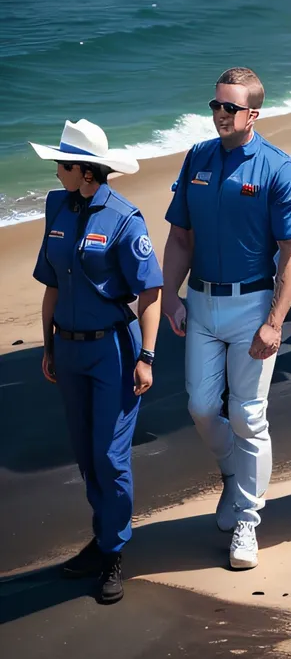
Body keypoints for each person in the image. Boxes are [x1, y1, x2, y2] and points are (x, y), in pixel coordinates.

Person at [162, 67, 291, 569]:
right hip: (201, 304)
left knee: (248, 415)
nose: (220, 115)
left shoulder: (278, 168)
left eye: (230, 108)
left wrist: (276, 321)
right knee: (203, 408)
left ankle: (248, 520)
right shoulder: (198, 158)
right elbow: (180, 236)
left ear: (253, 113)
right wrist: (170, 297)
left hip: (253, 306)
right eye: (215, 106)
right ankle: (233, 473)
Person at [31, 119, 163, 603]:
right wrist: (47, 345)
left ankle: (114, 552)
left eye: (62, 165)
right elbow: (52, 284)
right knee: (86, 455)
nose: (56, 171)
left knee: (110, 456)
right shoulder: (56, 206)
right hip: (67, 350)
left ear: (86, 171)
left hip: (113, 352)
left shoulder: (125, 219)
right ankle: (102, 536)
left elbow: (150, 289)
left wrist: (147, 357)